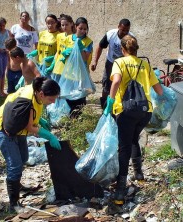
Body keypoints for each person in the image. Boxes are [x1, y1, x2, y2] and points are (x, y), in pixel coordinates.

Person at [103, 35, 163, 208]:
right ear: (136, 49)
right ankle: (139, 175)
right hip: (145, 112)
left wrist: (110, 100)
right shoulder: (145, 64)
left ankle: (120, 191)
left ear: (122, 50)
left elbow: (116, 81)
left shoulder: (119, 63)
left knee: (124, 147)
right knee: (134, 138)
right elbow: (159, 90)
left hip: (126, 110)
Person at [0, 76, 61, 212]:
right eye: (51, 99)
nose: (53, 102)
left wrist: (39, 119)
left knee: (23, 158)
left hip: (18, 128)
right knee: (15, 165)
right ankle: (14, 203)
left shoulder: (37, 91)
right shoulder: (26, 100)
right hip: (5, 130)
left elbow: (31, 113)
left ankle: (17, 184)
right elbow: (30, 127)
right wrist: (49, 136)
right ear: (42, 94)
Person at [91, 19, 133, 109]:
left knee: (123, 85)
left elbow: (133, 55)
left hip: (124, 65)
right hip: (111, 63)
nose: (125, 32)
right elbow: (100, 46)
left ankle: (121, 107)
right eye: (123, 30)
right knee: (107, 84)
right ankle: (104, 106)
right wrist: (95, 61)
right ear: (118, 27)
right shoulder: (111, 34)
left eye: (127, 30)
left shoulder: (131, 38)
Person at [61, 17, 94, 116]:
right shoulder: (68, 38)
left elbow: (85, 58)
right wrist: (65, 54)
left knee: (80, 98)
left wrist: (80, 48)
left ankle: (77, 118)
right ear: (75, 27)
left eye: (85, 29)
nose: (83, 31)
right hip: (69, 73)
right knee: (69, 96)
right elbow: (64, 53)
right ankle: (69, 118)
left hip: (81, 74)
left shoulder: (88, 41)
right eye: (81, 28)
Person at [48, 14, 75, 82]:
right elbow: (58, 51)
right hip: (58, 67)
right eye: (62, 25)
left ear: (71, 24)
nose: (64, 27)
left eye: (66, 25)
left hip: (69, 68)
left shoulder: (74, 37)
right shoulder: (59, 36)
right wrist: (52, 64)